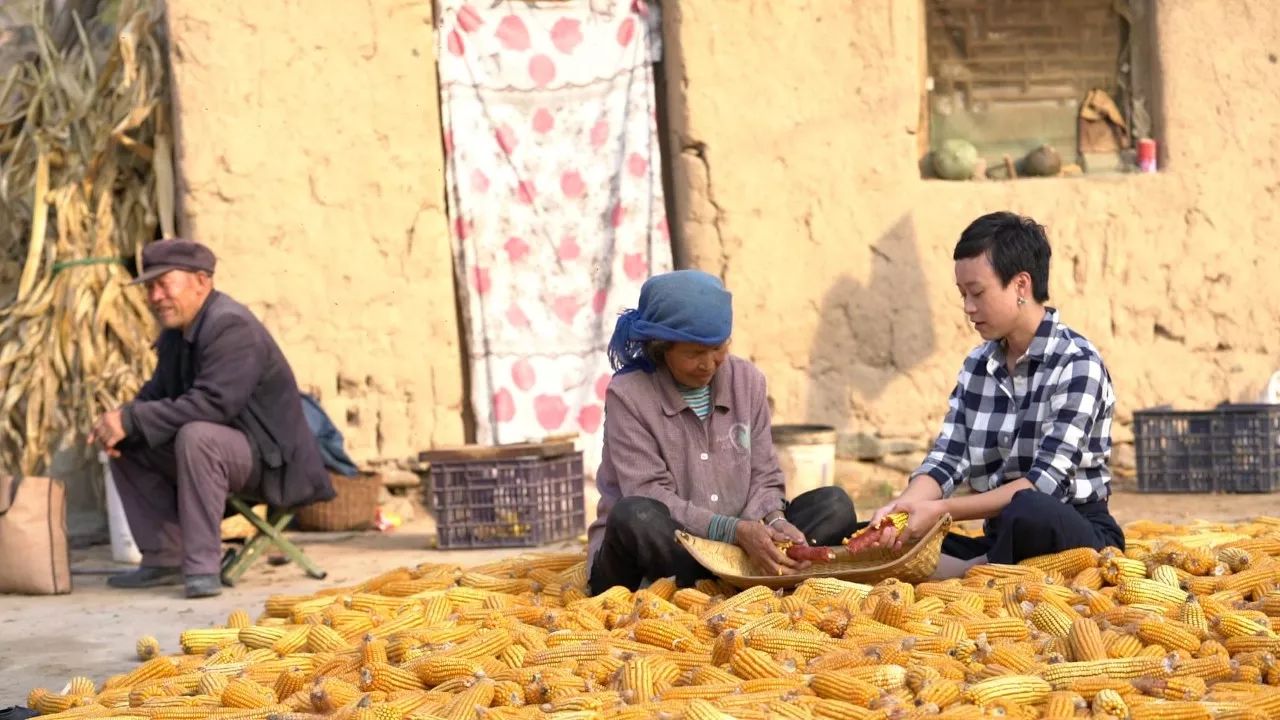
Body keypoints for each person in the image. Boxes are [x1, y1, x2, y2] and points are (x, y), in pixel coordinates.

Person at [868, 212, 1124, 578]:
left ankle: (971, 572)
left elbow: (1044, 484)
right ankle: (981, 568)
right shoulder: (977, 365)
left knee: (1029, 509)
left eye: (977, 293)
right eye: (962, 295)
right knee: (871, 534)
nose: (968, 308)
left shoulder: (1077, 364)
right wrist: (903, 507)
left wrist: (942, 511)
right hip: (1001, 535)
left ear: (1021, 286)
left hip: (1071, 535)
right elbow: (946, 460)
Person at [587, 269, 861, 594]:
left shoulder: (747, 382)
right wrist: (732, 530)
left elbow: (764, 474)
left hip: (740, 545)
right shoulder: (629, 395)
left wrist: (773, 521)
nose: (709, 363)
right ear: (660, 350)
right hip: (674, 546)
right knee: (636, 516)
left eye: (718, 348)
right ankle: (723, 581)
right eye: (693, 354)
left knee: (834, 504)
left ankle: (736, 576)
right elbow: (648, 491)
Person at [89, 238, 333, 598]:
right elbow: (156, 395)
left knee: (197, 435)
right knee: (128, 441)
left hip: (274, 464)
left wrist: (134, 418)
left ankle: (202, 567)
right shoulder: (178, 331)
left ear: (201, 281)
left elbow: (213, 405)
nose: (155, 296)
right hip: (226, 457)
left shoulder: (231, 326)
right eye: (150, 288)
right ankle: (163, 558)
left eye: (163, 284)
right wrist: (119, 421)